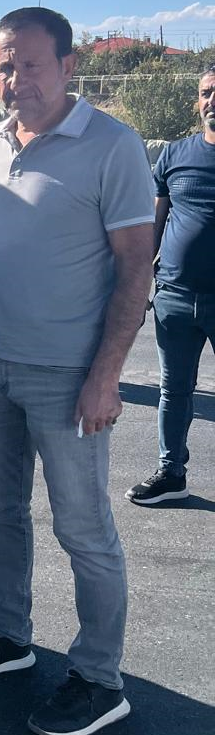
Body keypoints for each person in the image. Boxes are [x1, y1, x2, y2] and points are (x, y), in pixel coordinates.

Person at [0, 7, 155, 735]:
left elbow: (135, 267)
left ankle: (99, 678)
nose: (15, 79)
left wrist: (107, 375)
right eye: (4, 66)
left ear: (67, 66)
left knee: (83, 527)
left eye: (30, 64)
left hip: (66, 372)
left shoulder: (112, 145)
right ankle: (8, 636)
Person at [126, 67, 215, 506]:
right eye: (206, 92)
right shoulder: (176, 155)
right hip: (174, 297)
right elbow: (154, 224)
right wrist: (139, 282)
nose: (212, 99)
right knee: (173, 390)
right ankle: (171, 473)